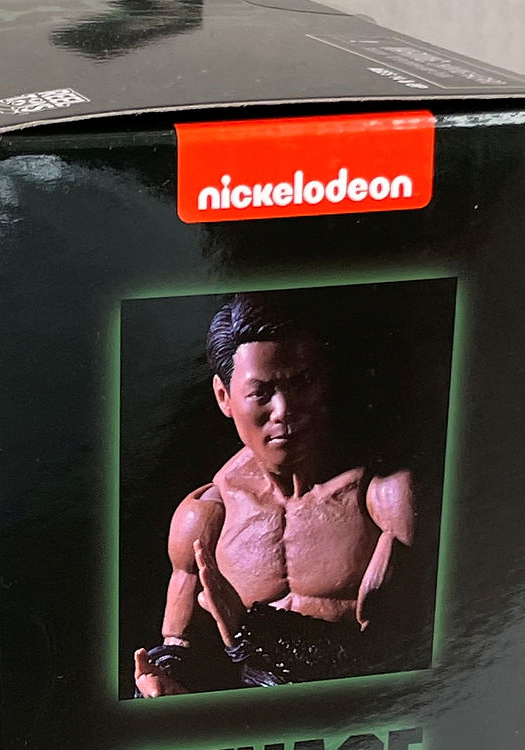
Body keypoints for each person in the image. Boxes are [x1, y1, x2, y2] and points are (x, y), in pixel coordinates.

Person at [133, 293, 415, 694]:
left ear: (325, 381)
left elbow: (397, 650)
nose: (284, 409)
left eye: (301, 383)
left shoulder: (383, 498)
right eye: (262, 392)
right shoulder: (207, 516)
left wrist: (250, 631)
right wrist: (162, 682)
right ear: (224, 397)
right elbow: (178, 646)